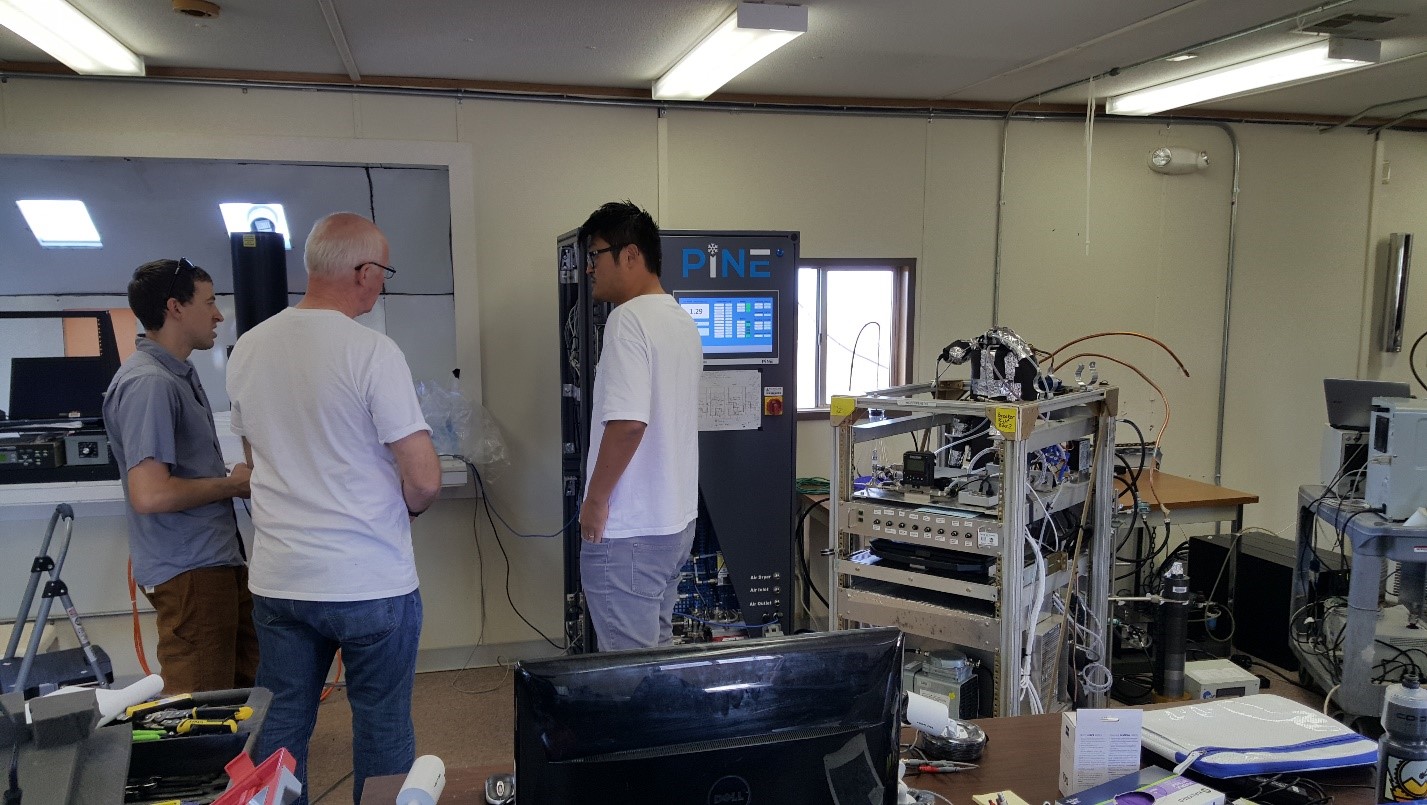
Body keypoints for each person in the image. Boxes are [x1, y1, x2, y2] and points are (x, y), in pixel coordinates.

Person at [227, 212, 441, 805]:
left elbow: (253, 456)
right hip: (368, 578)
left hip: (281, 578)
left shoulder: (247, 348)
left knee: (282, 724)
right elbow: (423, 479)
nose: (384, 283)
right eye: (385, 272)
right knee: (381, 723)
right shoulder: (372, 352)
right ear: (363, 272)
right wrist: (407, 509)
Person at [102, 258, 257, 694]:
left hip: (213, 561)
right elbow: (150, 494)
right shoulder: (149, 383)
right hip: (190, 571)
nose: (218, 315)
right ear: (175, 307)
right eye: (208, 303)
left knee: (243, 689)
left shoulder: (177, 376)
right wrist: (233, 483)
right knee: (201, 709)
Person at [577, 200, 702, 650]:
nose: (590, 268)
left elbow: (629, 423)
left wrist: (595, 500)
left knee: (627, 678)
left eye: (595, 255)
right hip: (673, 525)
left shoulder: (627, 321)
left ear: (630, 254)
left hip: (629, 530)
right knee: (657, 656)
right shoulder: (680, 320)